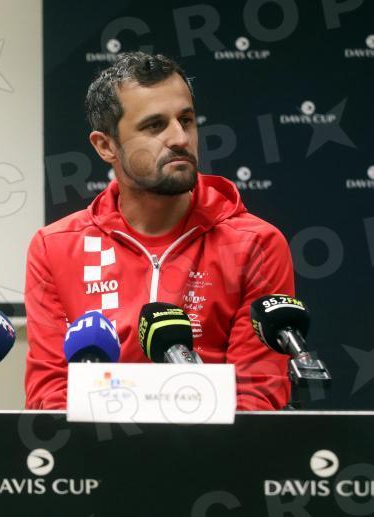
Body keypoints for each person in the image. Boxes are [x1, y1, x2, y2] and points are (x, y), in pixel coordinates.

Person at [25, 52, 294, 411]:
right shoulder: (55, 248)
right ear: (106, 146)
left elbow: (257, 397)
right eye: (154, 126)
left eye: (186, 120)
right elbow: (51, 395)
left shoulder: (256, 244)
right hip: (97, 444)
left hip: (218, 446)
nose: (180, 138)